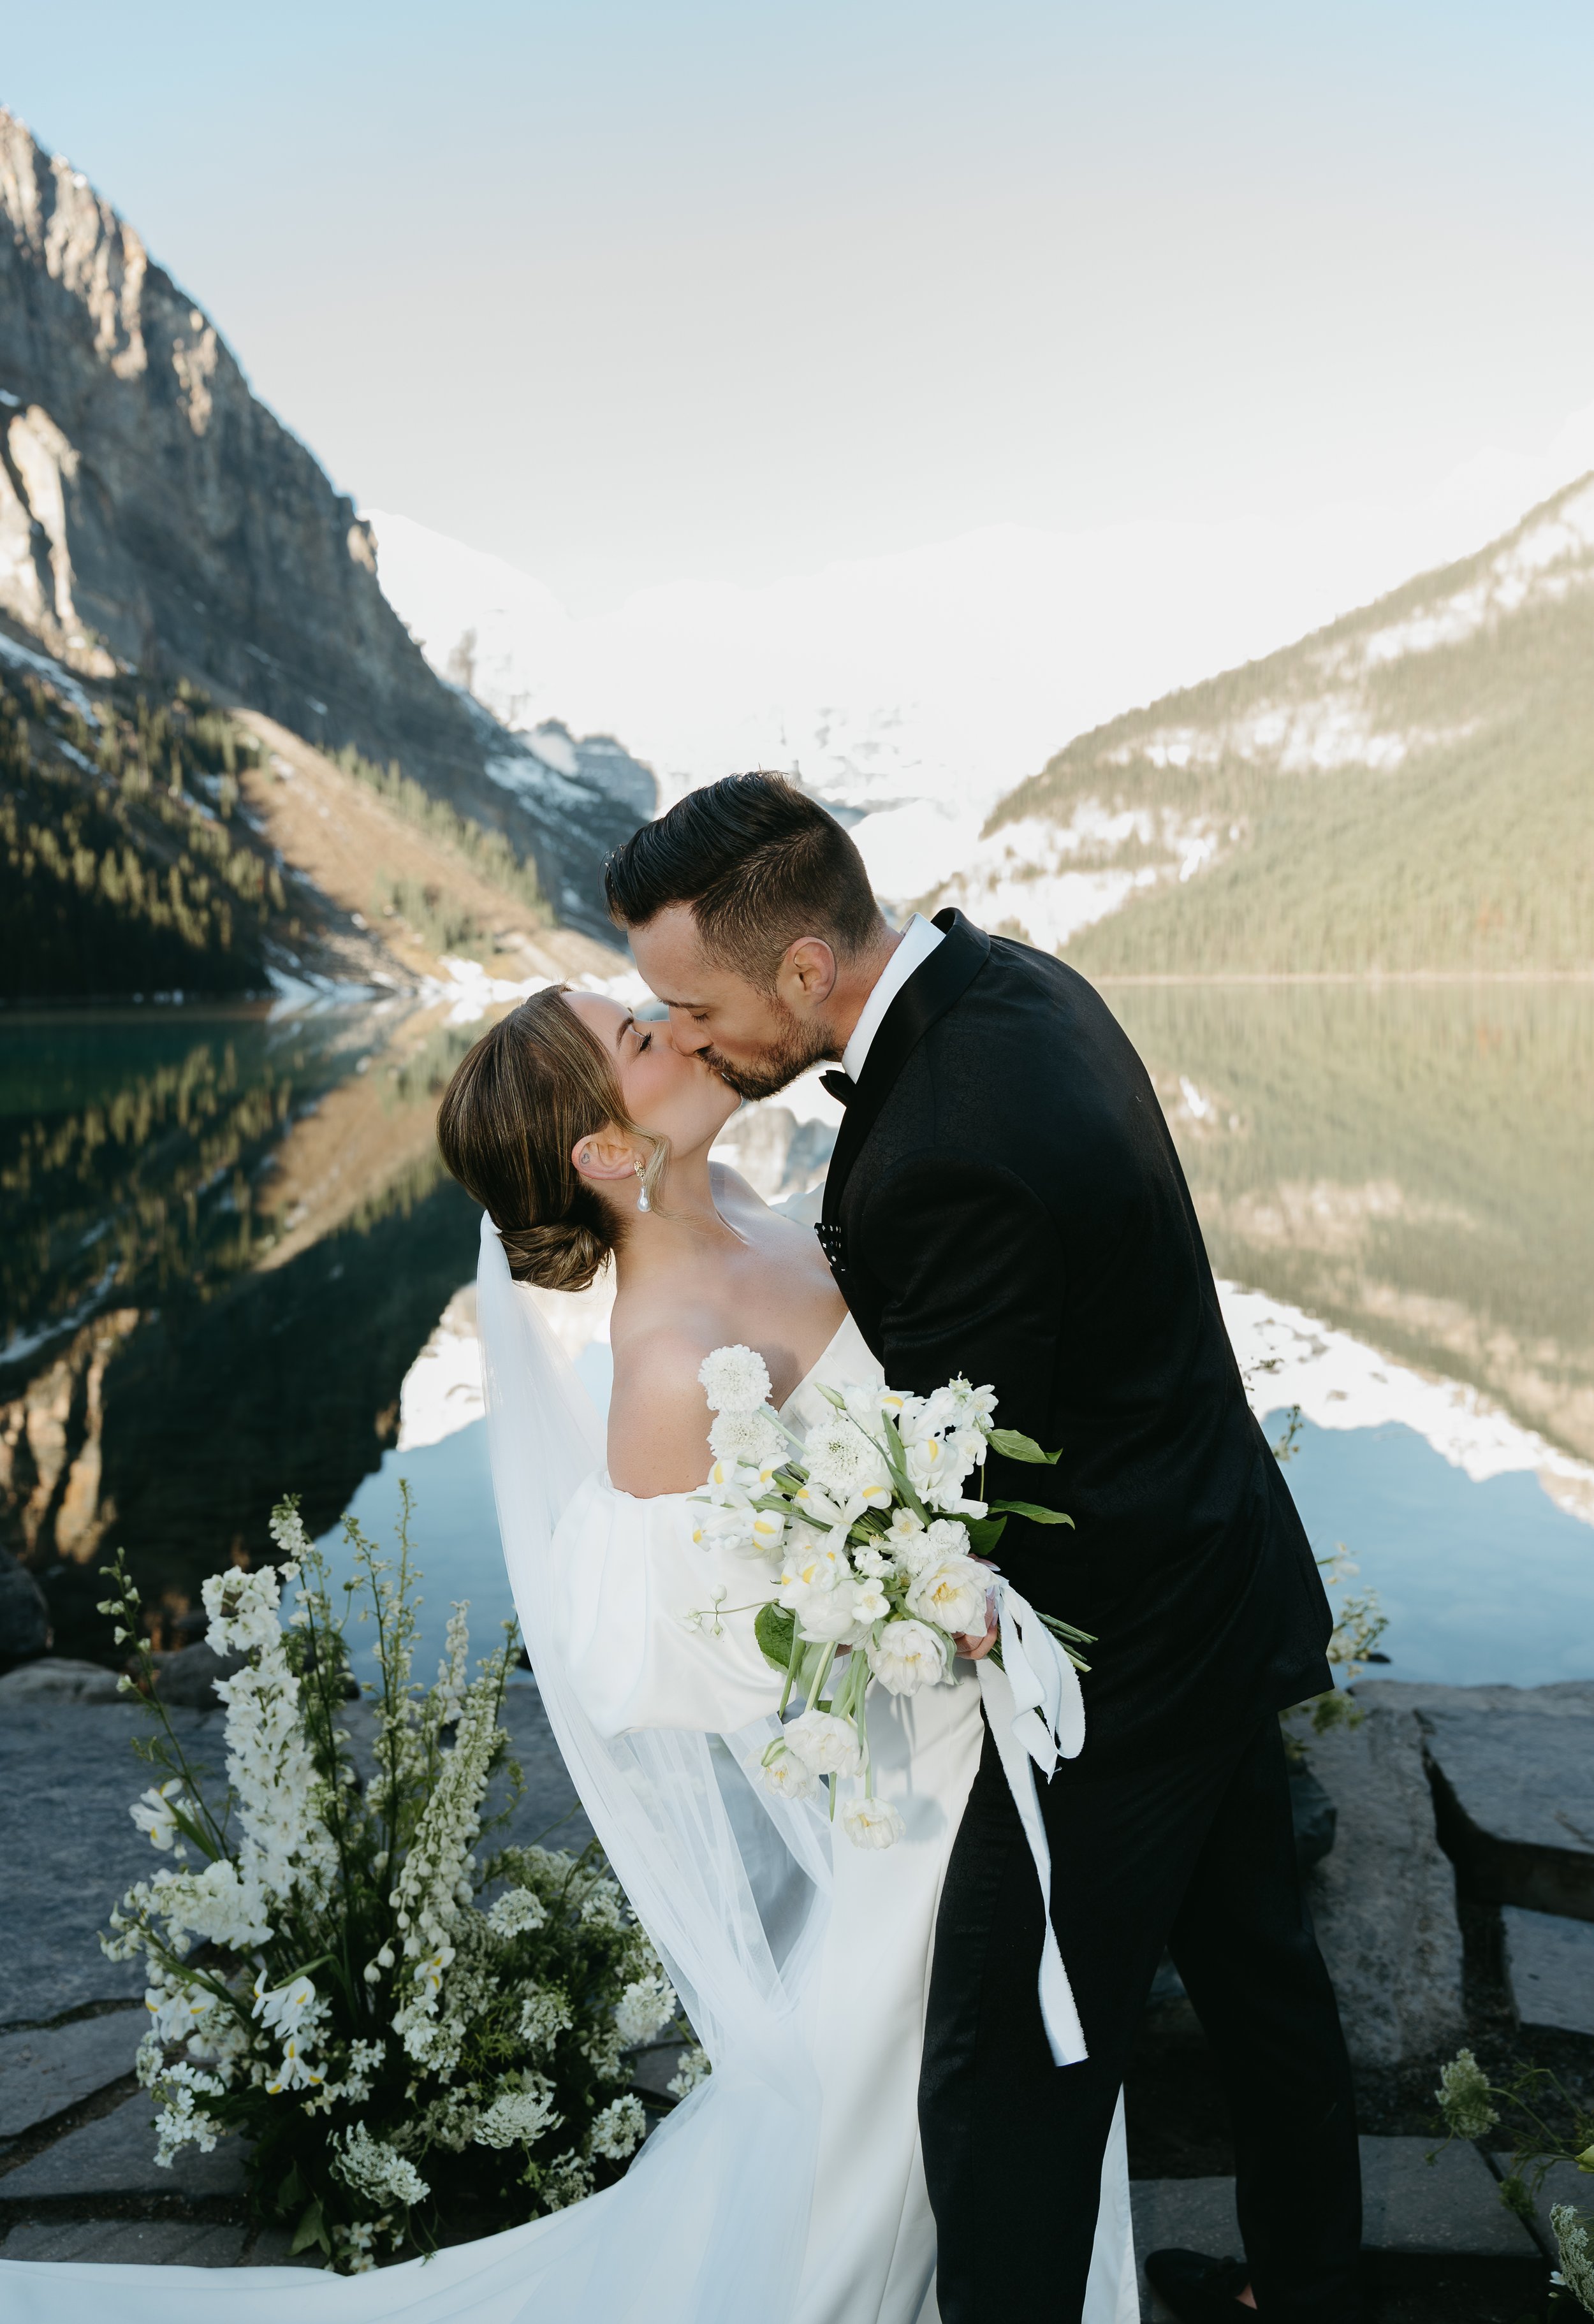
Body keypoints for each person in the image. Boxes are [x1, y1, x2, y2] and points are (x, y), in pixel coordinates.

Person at [604, 773, 1365, 2324]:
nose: (682, 1038)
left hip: (1113, 1669)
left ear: (804, 971)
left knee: (996, 2082)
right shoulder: (1016, 982)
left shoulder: (937, 1144)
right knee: (1263, 1987)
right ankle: (1313, 2291)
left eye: (691, 1005)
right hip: (1214, 1578)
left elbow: (950, 1482)